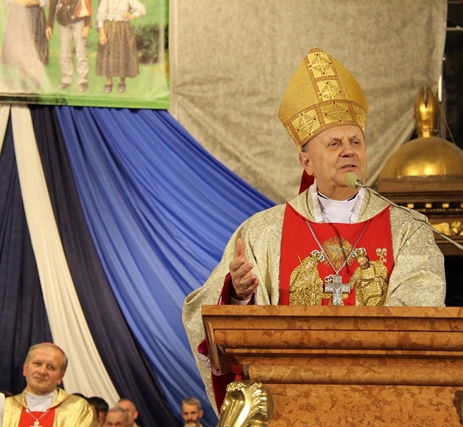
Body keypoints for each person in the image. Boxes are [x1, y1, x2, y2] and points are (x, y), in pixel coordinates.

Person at [182, 47, 446, 410]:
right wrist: (239, 295)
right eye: (334, 144)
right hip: (288, 403)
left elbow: (419, 309)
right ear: (306, 162)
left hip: (378, 401)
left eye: (356, 141)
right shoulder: (263, 232)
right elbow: (203, 315)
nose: (349, 151)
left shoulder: (407, 229)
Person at [3, 342, 95, 427]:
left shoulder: (77, 408)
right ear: (25, 369)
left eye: (51, 367)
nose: (42, 371)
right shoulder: (5, 406)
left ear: (61, 376)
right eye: (37, 364)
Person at [96, 0, 146, 93]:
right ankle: (109, 81)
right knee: (108, 53)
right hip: (108, 28)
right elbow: (100, 15)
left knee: (123, 53)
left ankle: (122, 81)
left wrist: (131, 16)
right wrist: (102, 33)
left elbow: (141, 9)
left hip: (123, 28)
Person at [1, 0, 49, 90]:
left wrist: (36, 2)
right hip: (19, 12)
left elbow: (48, 2)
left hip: (36, 13)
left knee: (36, 44)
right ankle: (22, 77)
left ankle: (35, 77)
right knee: (20, 43)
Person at [46, 0, 93, 92]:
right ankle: (66, 79)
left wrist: (87, 25)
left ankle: (83, 80)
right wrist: (49, 25)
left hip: (79, 20)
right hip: (63, 21)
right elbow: (52, 5)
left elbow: (87, 4)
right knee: (65, 51)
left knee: (81, 51)